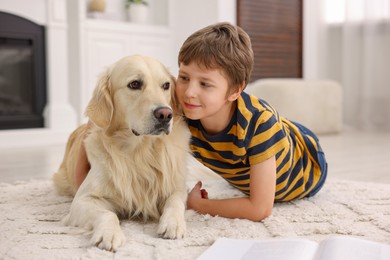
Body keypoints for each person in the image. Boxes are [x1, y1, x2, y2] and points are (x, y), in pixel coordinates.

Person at [74, 22, 327, 222]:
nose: (189, 92)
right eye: (183, 77)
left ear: (235, 91)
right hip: (241, 171)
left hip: (305, 165)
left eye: (204, 83)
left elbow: (260, 208)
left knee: (267, 159)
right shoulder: (185, 110)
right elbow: (95, 125)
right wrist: (82, 187)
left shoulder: (260, 124)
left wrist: (200, 205)